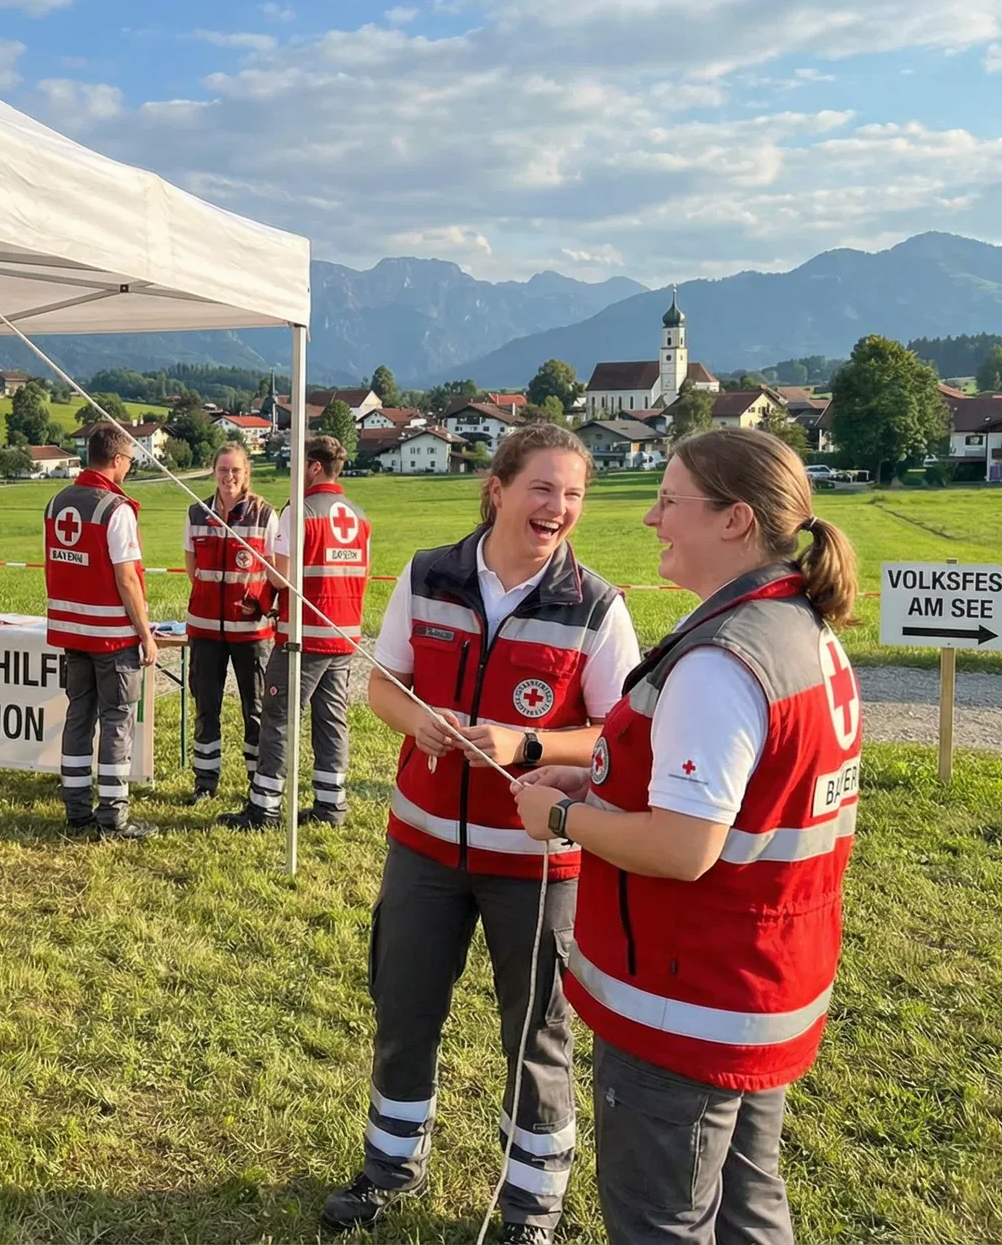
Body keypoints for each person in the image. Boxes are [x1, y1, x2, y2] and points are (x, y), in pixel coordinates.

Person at [512, 427, 865, 1245]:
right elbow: (741, 798)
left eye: (670, 500)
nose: (651, 518)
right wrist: (594, 784)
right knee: (748, 1200)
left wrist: (561, 818)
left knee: (661, 1220)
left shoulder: (723, 660)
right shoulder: (799, 629)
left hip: (689, 1003)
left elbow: (685, 846)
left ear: (735, 520)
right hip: (759, 985)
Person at [320, 422, 641, 1243]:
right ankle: (390, 1169)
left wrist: (526, 744)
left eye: (573, 494)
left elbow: (618, 738)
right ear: (497, 490)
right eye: (543, 488)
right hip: (422, 849)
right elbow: (383, 686)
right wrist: (417, 720)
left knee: (535, 1034)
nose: (559, 507)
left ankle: (530, 1207)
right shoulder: (428, 573)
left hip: (535, 864)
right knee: (405, 1011)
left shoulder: (597, 606)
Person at [220, 434, 369, 831]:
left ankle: (264, 807)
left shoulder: (298, 511)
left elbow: (281, 576)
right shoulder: (358, 516)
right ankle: (330, 804)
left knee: (279, 718)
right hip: (344, 634)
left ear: (315, 467)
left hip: (303, 637)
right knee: (331, 720)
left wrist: (264, 587)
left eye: (299, 463)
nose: (294, 471)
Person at [43, 423, 159, 841]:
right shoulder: (115, 509)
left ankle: (76, 813)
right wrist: (145, 633)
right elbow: (127, 578)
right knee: (116, 721)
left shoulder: (56, 502)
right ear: (117, 460)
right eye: (129, 461)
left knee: (78, 717)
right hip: (111, 635)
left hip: (71, 634)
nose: (128, 468)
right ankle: (113, 816)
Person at [182, 442, 277, 804]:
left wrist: (258, 603)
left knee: (256, 710)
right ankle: (205, 783)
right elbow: (192, 567)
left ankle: (257, 781)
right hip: (205, 630)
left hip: (251, 633)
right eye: (223, 470)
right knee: (206, 708)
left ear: (246, 473)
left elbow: (274, 571)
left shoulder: (264, 515)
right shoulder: (196, 512)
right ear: (214, 472)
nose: (229, 477)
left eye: (235, 470)